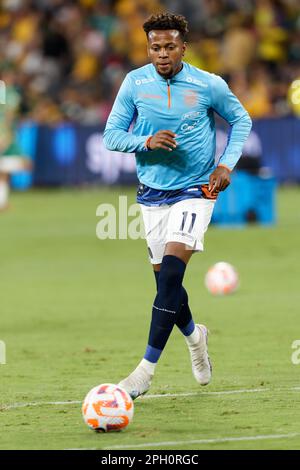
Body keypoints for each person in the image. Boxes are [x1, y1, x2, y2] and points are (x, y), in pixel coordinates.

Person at [103, 12, 252, 399]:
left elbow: (241, 120)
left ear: (184, 47)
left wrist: (225, 164)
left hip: (196, 189)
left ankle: (144, 371)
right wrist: (146, 141)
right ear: (148, 48)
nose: (163, 54)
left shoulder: (208, 84)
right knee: (166, 284)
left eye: (170, 46)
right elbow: (111, 136)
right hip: (152, 192)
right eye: (156, 47)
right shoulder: (134, 83)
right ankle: (195, 337)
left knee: (170, 276)